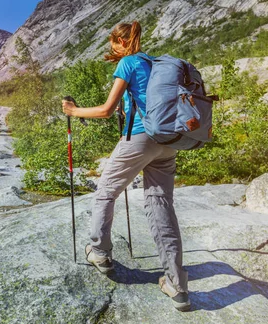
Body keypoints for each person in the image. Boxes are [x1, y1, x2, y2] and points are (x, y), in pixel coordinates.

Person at [61, 21, 190, 312]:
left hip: (141, 138)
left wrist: (73, 111)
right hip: (168, 141)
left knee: (105, 191)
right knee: (161, 205)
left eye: (113, 44)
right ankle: (177, 285)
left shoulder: (129, 63)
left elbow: (106, 110)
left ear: (120, 42)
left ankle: (100, 253)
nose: (112, 50)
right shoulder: (156, 64)